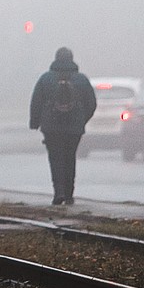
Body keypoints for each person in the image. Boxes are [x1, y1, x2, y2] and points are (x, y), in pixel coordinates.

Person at [29, 45, 97, 206]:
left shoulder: (46, 79)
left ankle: (58, 192)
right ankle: (69, 194)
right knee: (69, 158)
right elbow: (91, 104)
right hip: (74, 128)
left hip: (51, 127)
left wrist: (35, 122)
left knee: (56, 158)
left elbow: (36, 102)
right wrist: (82, 120)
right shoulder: (82, 80)